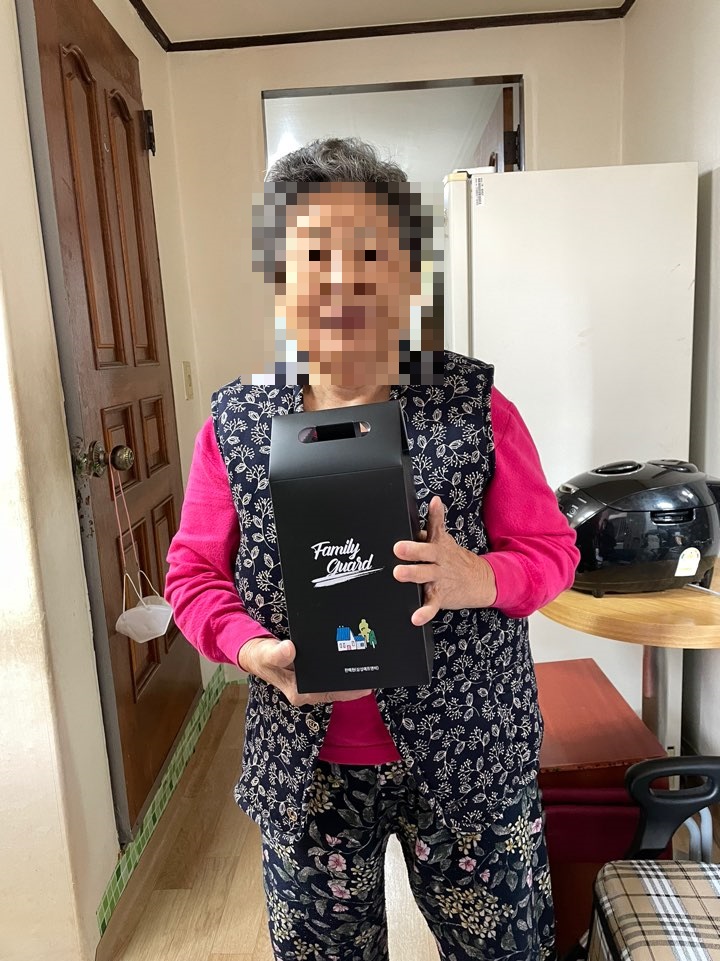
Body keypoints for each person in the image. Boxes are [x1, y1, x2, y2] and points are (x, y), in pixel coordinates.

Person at [165, 137, 580, 961]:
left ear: (408, 276)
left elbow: (552, 551)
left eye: (370, 253)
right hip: (307, 769)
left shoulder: (474, 408)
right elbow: (194, 575)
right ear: (280, 278)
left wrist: (478, 576)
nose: (342, 279)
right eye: (315, 254)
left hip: (470, 756)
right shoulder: (236, 424)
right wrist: (249, 648)